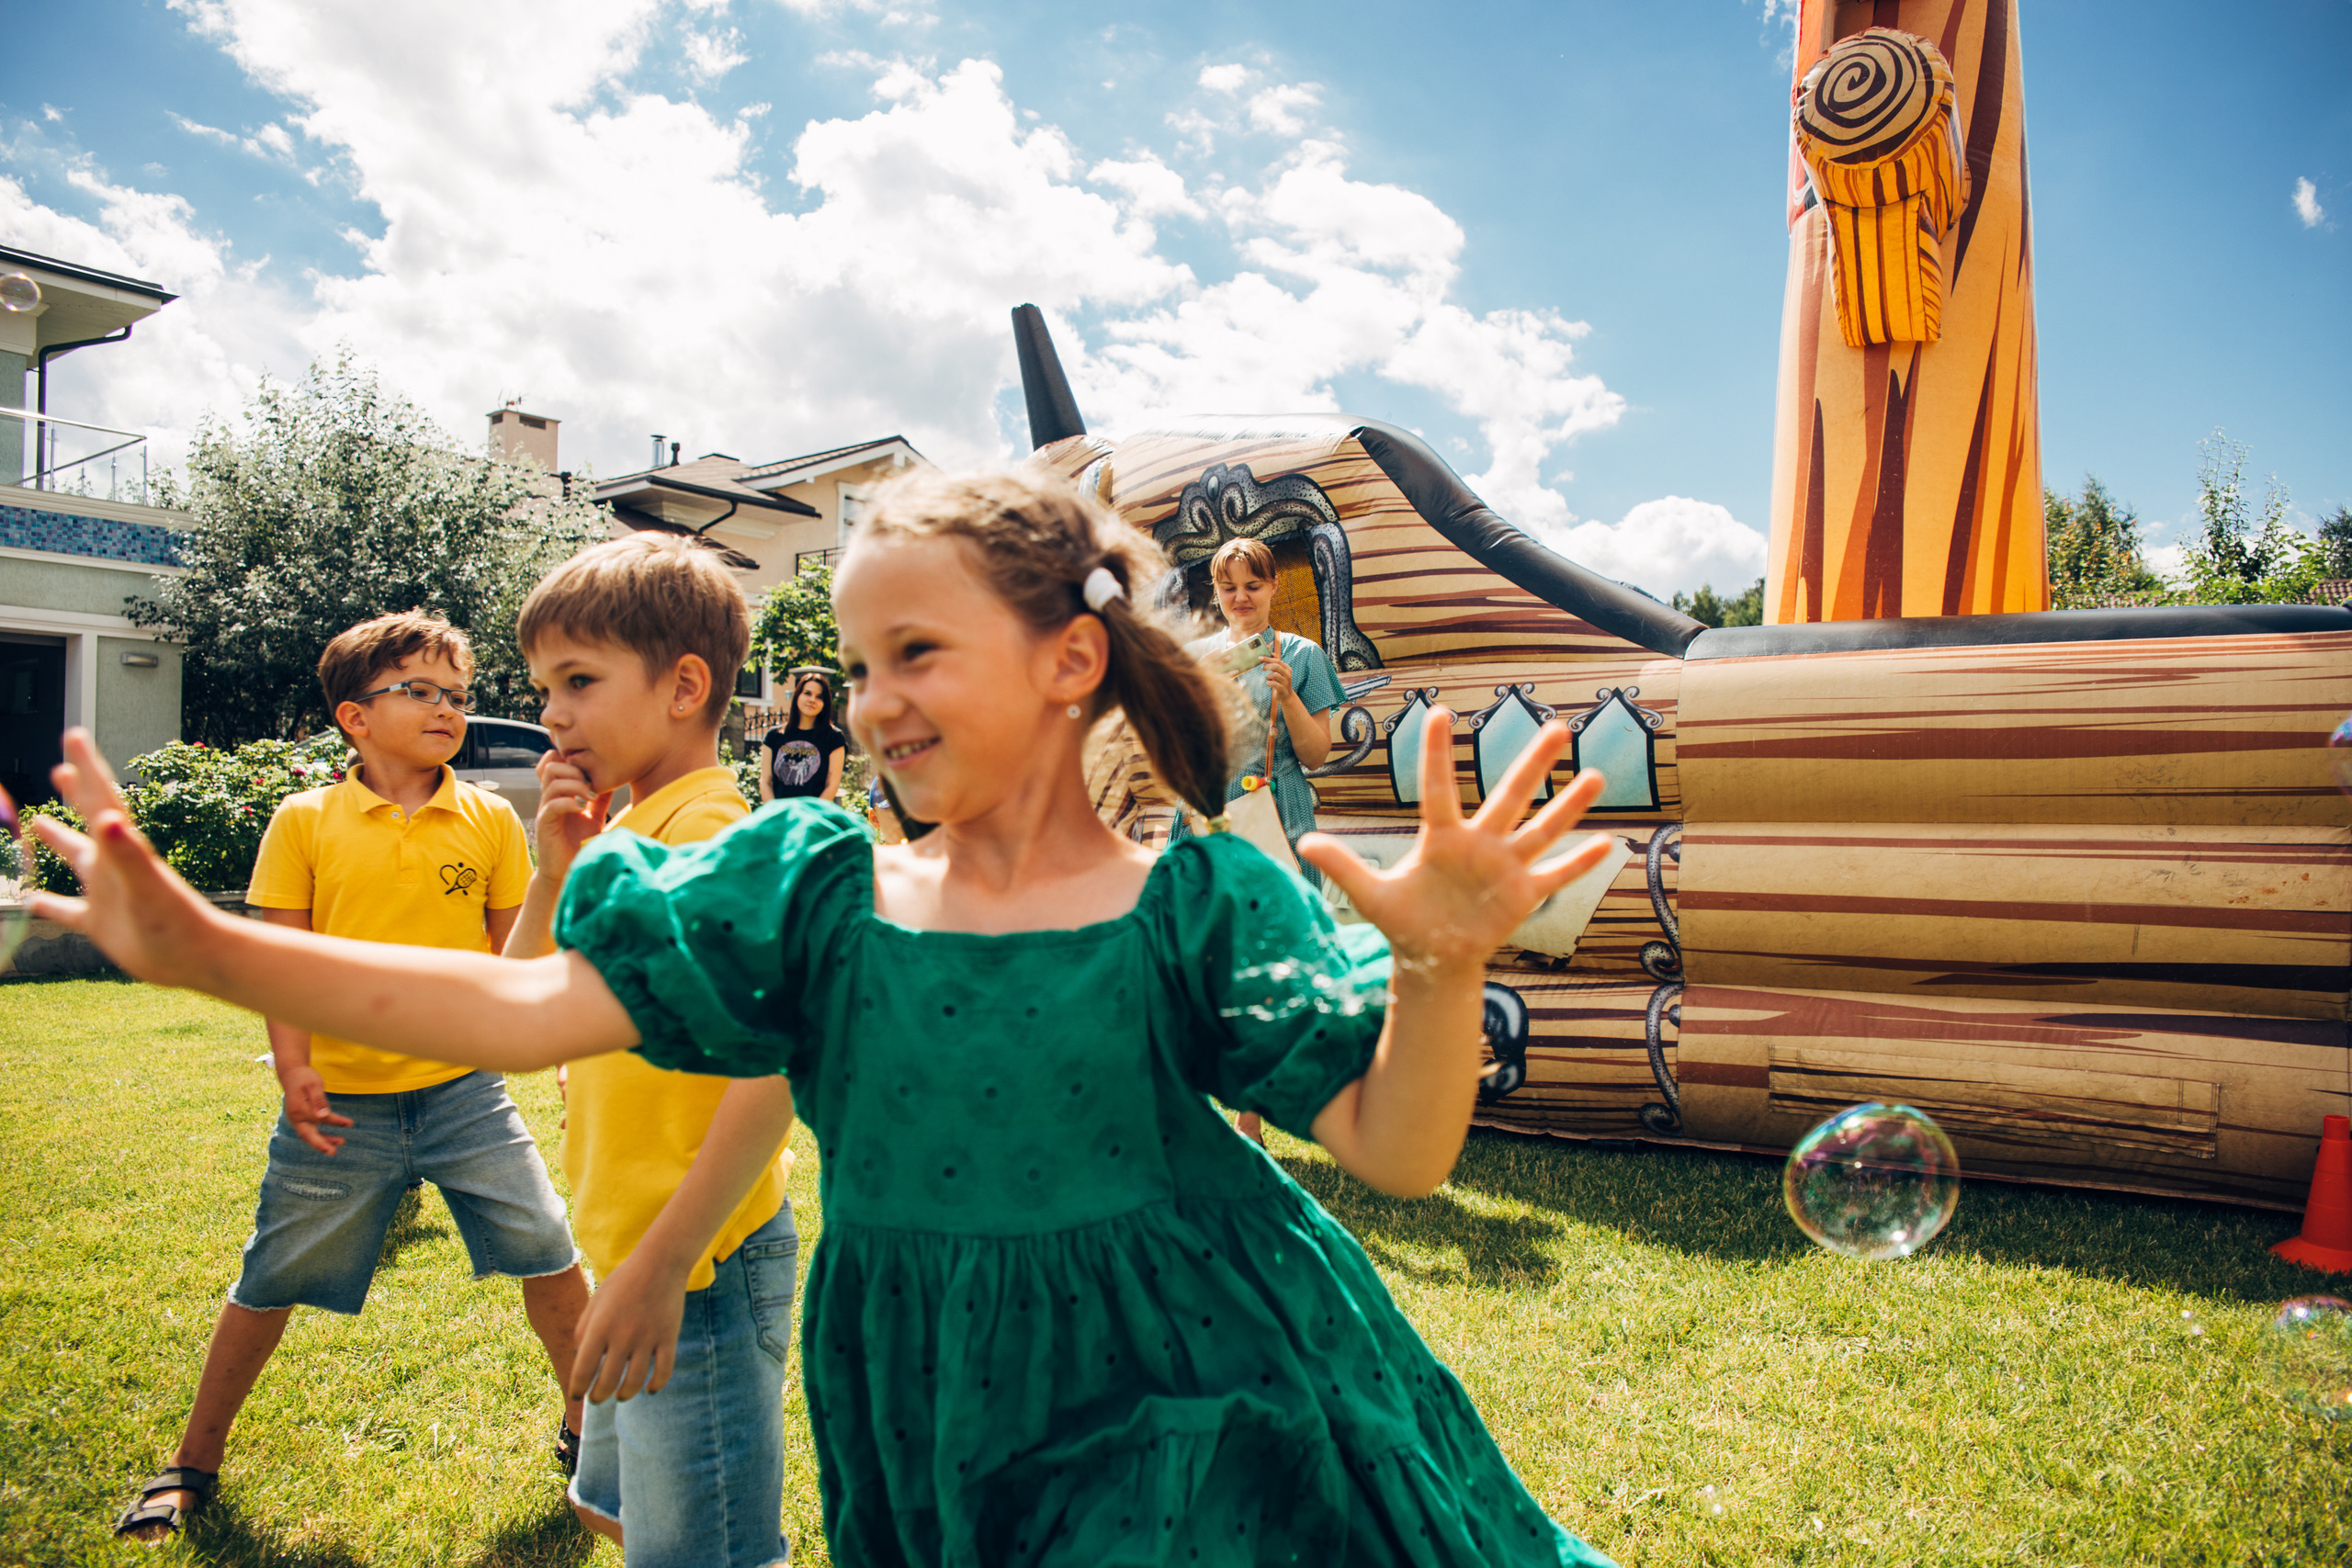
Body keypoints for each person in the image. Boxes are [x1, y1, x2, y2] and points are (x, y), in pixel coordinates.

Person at [37, 468, 1621, 1568]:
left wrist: (1438, 964)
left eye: (915, 651)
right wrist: (208, 949)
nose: (870, 699)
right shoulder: (816, 890)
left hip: (1196, 1376)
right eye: (858, 662)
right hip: (930, 1389)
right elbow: (525, 1006)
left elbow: (1401, 1158)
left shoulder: (1189, 905)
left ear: (1073, 659)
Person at [110, 612, 589, 1543]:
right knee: (270, 1276)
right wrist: (293, 1067)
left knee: (551, 1255)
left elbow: (516, 960)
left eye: (458, 695)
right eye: (420, 690)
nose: (447, 709)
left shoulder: (490, 818)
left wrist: (558, 1040)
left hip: (466, 1093)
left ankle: (590, 1435)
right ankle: (190, 1463)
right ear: (353, 718)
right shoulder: (306, 821)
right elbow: (278, 963)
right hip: (340, 1107)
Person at [500, 533, 800, 1567]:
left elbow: (772, 1073)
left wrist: (667, 1262)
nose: (551, 712)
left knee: (701, 1552)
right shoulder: (625, 837)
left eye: (578, 680)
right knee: (619, 1513)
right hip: (632, 1241)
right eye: (542, 687)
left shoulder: (710, 836)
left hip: (699, 1262)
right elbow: (516, 1014)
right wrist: (550, 876)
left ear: (683, 687)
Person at [1172, 536, 1343, 886]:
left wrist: (1288, 696)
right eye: (1229, 587)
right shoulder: (1191, 658)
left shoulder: (1303, 654)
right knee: (1201, 929)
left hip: (1279, 814)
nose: (1241, 597)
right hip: (1204, 812)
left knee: (1282, 925)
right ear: (1216, 592)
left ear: (1274, 586)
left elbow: (1315, 756)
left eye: (1253, 586)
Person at [759, 671, 845, 804]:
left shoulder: (834, 738)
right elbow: (765, 781)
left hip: (813, 817)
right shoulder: (774, 736)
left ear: (825, 703)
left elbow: (832, 785)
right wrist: (775, 813)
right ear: (797, 695)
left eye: (819, 697)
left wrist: (810, 816)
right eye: (807, 693)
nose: (812, 700)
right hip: (780, 817)